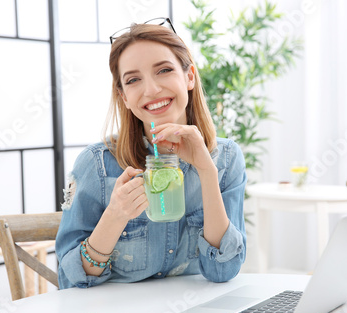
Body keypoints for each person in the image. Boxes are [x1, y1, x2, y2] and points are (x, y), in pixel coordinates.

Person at [56, 18, 247, 289]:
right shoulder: (97, 164)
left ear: (189, 76)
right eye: (133, 80)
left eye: (164, 70)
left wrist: (207, 172)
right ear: (124, 96)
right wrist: (115, 215)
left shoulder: (226, 158)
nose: (151, 90)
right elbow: (69, 280)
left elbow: (223, 269)